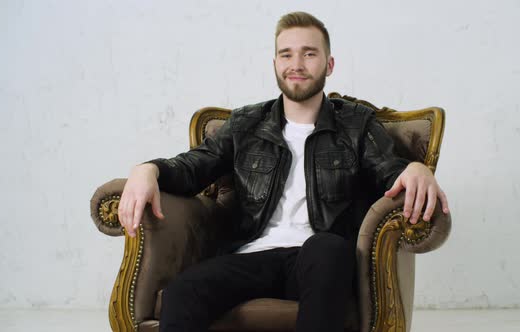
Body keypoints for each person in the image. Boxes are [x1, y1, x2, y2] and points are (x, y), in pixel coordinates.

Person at [118, 11, 449, 332]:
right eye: (286, 54)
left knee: (328, 249)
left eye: (309, 54)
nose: (297, 65)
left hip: (319, 259)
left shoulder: (356, 123)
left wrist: (416, 169)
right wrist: (148, 170)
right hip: (252, 256)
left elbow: (388, 170)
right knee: (182, 292)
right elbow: (192, 168)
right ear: (275, 64)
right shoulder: (246, 124)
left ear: (329, 64)